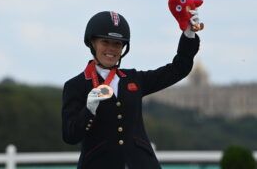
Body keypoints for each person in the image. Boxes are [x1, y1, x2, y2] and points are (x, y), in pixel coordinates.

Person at [62, 10, 202, 169]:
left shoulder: (134, 79)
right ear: (92, 43)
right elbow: (70, 135)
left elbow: (178, 69)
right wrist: (89, 110)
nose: (111, 49)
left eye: (117, 44)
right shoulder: (75, 86)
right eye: (105, 42)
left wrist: (188, 34)